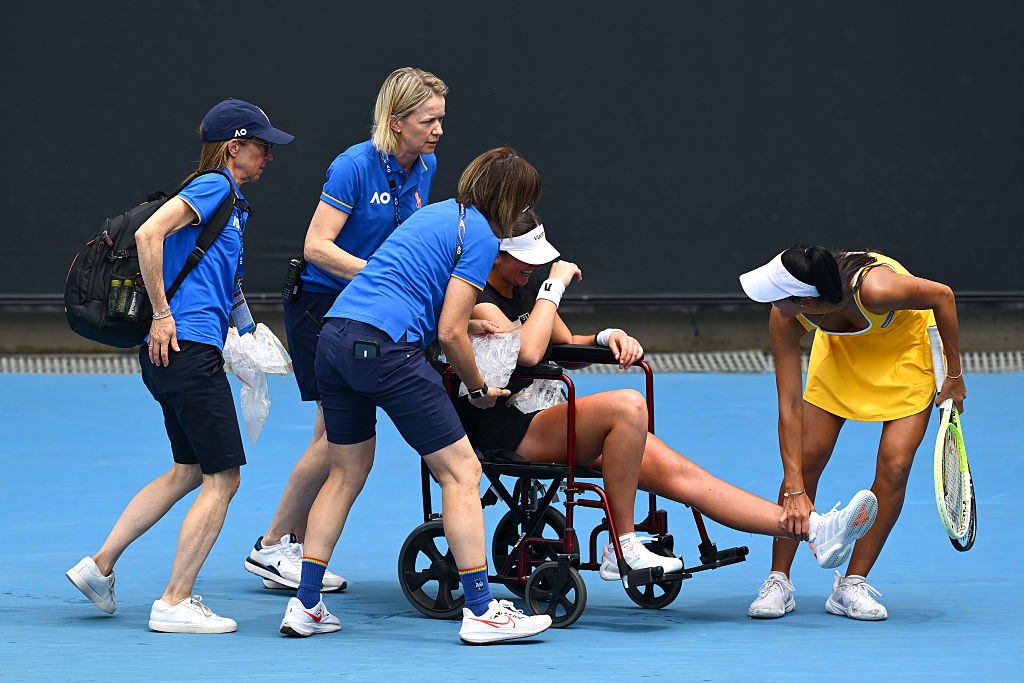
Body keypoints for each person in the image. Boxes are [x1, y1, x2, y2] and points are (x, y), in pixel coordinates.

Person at [456, 212, 878, 588]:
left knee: (686, 476)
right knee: (628, 405)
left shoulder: (527, 290)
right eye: (527, 261)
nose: (533, 268)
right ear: (495, 256)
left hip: (550, 419)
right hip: (509, 428)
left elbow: (565, 344)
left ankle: (814, 532)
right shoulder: (479, 301)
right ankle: (621, 547)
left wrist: (607, 337)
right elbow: (530, 353)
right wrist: (554, 283)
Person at [277, 147, 553, 645]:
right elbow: (449, 333)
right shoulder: (484, 237)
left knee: (345, 472)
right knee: (462, 472)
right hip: (387, 349)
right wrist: (477, 389)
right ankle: (482, 611)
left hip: (336, 339)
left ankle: (306, 604)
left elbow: (423, 298)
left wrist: (471, 323)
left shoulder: (436, 215)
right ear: (512, 201)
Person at [65, 98, 294, 633]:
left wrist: (246, 335)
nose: (269, 157)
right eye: (262, 146)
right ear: (234, 147)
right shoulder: (213, 186)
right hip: (183, 350)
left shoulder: (230, 203)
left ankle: (99, 567)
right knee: (224, 478)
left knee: (189, 471)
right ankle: (175, 601)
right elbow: (150, 235)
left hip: (181, 354)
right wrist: (163, 315)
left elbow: (220, 281)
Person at [244, 67, 446, 593]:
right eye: (428, 120)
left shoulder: (425, 167)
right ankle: (272, 546)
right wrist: (381, 274)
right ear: (396, 121)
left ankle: (289, 553)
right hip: (322, 306)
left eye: (441, 119)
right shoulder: (353, 167)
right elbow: (317, 247)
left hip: (373, 310)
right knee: (335, 436)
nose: (438, 130)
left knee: (330, 435)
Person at [739, 246, 966, 621]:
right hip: (840, 355)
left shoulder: (877, 290)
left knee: (895, 467)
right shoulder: (787, 317)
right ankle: (778, 579)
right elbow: (789, 405)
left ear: (807, 300)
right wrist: (794, 488)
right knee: (807, 457)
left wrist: (954, 375)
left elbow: (942, 295)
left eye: (777, 295)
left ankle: (852, 584)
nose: (771, 303)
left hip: (903, 354)